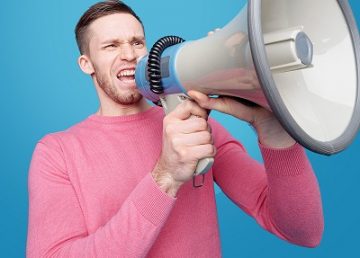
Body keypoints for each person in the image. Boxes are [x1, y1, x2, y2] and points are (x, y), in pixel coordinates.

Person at [26, 1, 324, 257]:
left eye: (137, 42)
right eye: (111, 46)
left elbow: (302, 231)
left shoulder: (195, 127)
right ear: (86, 64)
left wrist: (275, 133)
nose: (129, 54)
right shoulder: (56, 153)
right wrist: (165, 176)